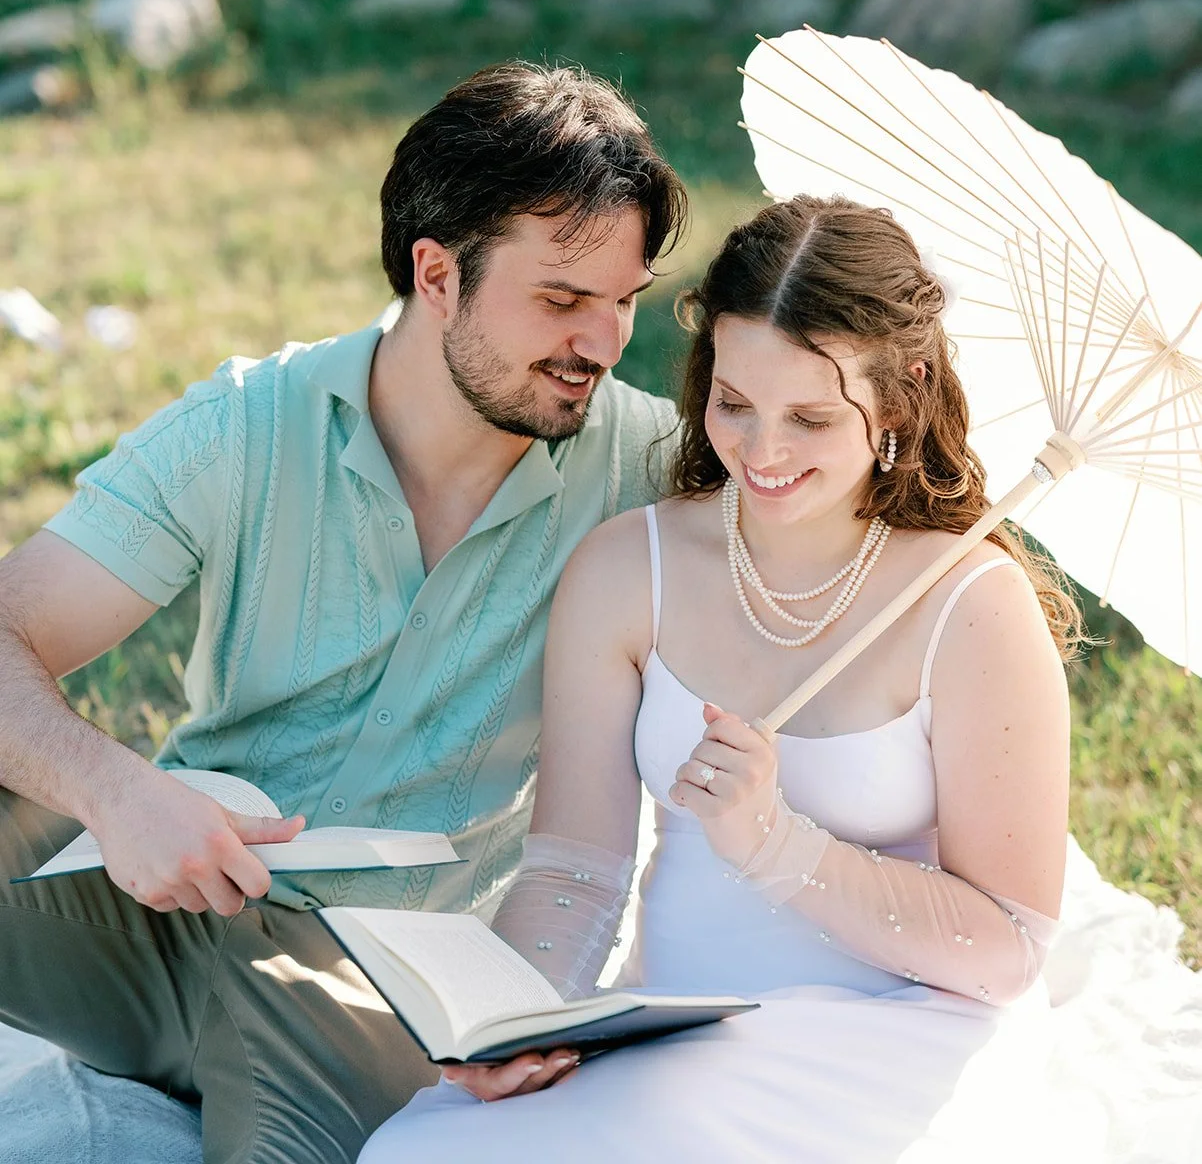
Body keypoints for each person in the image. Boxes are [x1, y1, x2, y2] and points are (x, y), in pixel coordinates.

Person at [0, 61, 688, 1164]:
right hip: (161, 916)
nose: (600, 344)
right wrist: (118, 793)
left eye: (623, 303)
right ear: (436, 274)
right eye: (561, 300)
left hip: (375, 995)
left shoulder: (648, 467)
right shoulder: (245, 426)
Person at [361, 192, 1080, 1164]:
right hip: (673, 1043)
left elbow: (1007, 946)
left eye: (810, 418)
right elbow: (576, 868)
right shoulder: (629, 569)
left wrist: (778, 844)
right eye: (733, 403)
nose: (762, 452)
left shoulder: (970, 608)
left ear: (899, 396)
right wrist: (517, 1021)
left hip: (899, 1041)